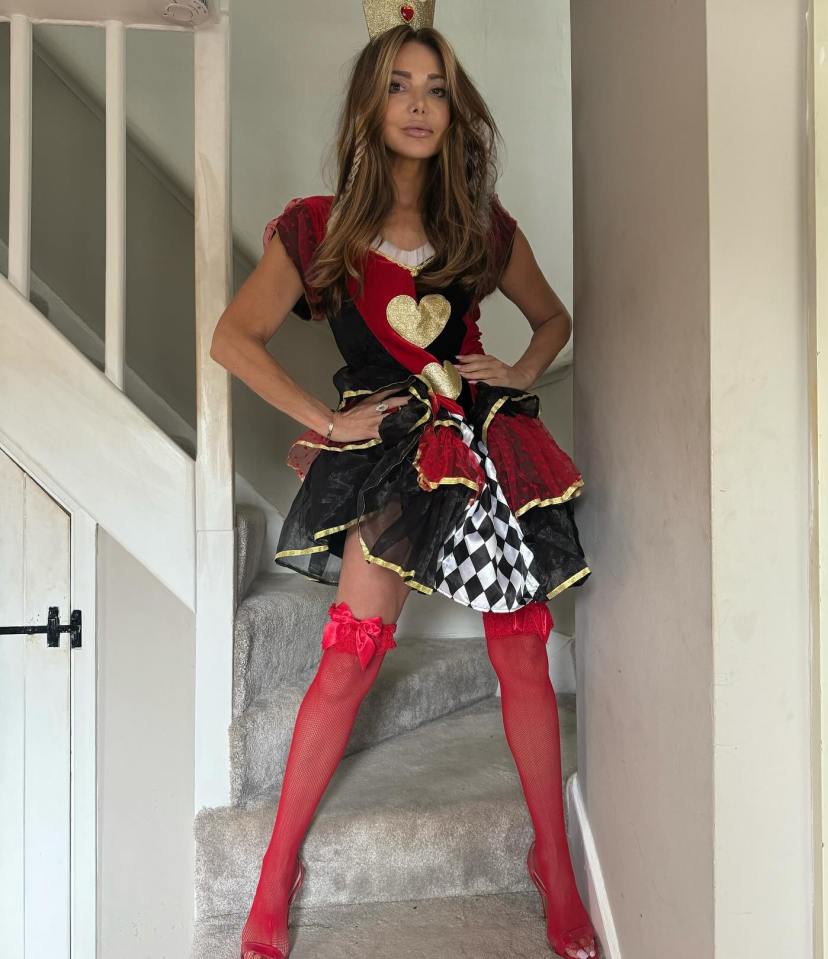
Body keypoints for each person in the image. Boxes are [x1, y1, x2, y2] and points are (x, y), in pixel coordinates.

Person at [210, 10, 595, 959]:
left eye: (434, 89)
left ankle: (554, 865)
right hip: (387, 449)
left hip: (480, 442)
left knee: (520, 644)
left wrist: (518, 364)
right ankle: (273, 874)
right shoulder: (317, 228)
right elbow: (231, 338)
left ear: (452, 110)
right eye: (398, 86)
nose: (418, 105)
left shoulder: (480, 226)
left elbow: (553, 319)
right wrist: (324, 417)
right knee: (350, 652)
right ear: (368, 106)